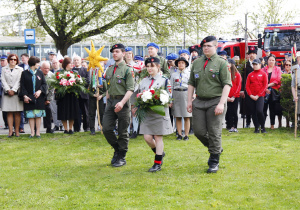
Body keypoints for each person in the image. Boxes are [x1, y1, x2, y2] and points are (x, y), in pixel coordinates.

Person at [187, 36, 232, 173]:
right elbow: (191, 83)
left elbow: (227, 85)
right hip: (199, 101)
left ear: (216, 47)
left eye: (209, 46)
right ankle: (216, 149)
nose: (205, 48)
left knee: (214, 131)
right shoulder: (197, 63)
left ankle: (213, 161)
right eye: (204, 46)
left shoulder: (221, 63)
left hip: (215, 101)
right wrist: (189, 101)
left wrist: (221, 104)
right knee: (199, 131)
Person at [137, 57, 172, 172]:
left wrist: (165, 100)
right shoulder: (143, 80)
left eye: (152, 66)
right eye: (147, 66)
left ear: (158, 66)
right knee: (147, 137)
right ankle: (160, 153)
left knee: (157, 137)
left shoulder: (164, 79)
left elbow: (169, 94)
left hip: (160, 111)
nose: (149, 68)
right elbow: (139, 94)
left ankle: (157, 163)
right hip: (147, 112)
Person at [102, 44, 134, 167]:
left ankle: (122, 156)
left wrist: (122, 102)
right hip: (111, 103)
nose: (114, 54)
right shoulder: (109, 69)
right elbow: (108, 87)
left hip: (123, 102)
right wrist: (107, 101)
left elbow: (130, 89)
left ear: (123, 53)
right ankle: (117, 149)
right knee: (106, 128)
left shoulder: (127, 69)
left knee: (123, 131)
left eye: (117, 51)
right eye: (113, 52)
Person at [19, 56, 47, 138]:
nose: (39, 64)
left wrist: (40, 91)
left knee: (38, 115)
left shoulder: (40, 73)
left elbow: (44, 84)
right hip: (29, 97)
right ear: (33, 64)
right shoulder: (24, 73)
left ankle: (38, 132)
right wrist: (25, 96)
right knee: (31, 115)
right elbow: (22, 86)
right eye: (37, 63)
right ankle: (32, 132)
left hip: (39, 97)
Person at [1, 54, 23, 137]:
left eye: (14, 59)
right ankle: (10, 131)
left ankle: (17, 131)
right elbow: (2, 80)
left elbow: (19, 80)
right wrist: (7, 89)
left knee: (17, 112)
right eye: (11, 59)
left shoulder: (20, 69)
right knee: (9, 112)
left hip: (16, 93)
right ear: (8, 60)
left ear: (17, 61)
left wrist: (13, 90)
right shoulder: (4, 69)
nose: (13, 61)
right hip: (7, 93)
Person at [56, 57, 80, 134]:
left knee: (72, 112)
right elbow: (56, 84)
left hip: (72, 95)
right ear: (66, 64)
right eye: (70, 63)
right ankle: (65, 129)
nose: (72, 64)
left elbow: (78, 83)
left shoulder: (75, 72)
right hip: (63, 96)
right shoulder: (59, 73)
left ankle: (70, 129)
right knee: (63, 112)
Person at [170, 57, 191, 140]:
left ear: (185, 64)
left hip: (186, 93)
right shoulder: (174, 75)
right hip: (176, 94)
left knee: (186, 116)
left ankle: (186, 135)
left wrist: (192, 96)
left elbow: (192, 86)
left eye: (182, 63)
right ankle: (179, 134)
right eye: (179, 63)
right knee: (177, 115)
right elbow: (170, 87)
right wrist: (170, 99)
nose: (181, 64)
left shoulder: (189, 74)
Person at [245, 59, 268, 133]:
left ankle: (263, 127)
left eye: (256, 64)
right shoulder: (250, 74)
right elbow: (247, 86)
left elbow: (265, 86)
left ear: (260, 65)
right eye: (254, 64)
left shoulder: (264, 74)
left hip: (260, 96)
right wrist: (250, 95)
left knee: (259, 111)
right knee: (253, 112)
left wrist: (258, 95)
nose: (255, 66)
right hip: (251, 96)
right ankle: (256, 127)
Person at [262, 54, 282, 129]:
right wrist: (265, 88)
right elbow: (261, 81)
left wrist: (269, 85)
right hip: (264, 91)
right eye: (270, 60)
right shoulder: (263, 69)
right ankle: (262, 124)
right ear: (267, 61)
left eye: (273, 60)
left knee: (272, 109)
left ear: (275, 61)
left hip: (273, 92)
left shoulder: (278, 69)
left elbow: (278, 80)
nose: (271, 61)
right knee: (264, 108)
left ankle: (272, 125)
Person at [240, 47, 257, 128]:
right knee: (248, 106)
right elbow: (242, 79)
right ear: (248, 55)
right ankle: (248, 122)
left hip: (257, 88)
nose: (252, 55)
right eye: (251, 54)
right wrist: (242, 90)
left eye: (253, 54)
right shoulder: (245, 65)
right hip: (247, 88)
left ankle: (257, 122)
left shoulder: (260, 64)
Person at [72, 56, 90, 132]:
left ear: (81, 61)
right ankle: (76, 128)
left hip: (83, 94)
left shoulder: (86, 70)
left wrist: (79, 84)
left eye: (77, 60)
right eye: (75, 60)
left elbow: (88, 81)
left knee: (85, 112)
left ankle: (86, 127)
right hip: (74, 94)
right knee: (76, 112)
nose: (76, 61)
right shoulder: (71, 71)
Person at [89, 65, 107, 135]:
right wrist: (93, 95)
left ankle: (102, 127)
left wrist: (101, 96)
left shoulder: (103, 82)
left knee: (101, 114)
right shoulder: (92, 81)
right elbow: (89, 91)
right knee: (91, 114)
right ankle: (92, 129)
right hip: (92, 100)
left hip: (100, 100)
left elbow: (106, 91)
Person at [225, 59, 241, 132]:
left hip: (235, 97)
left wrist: (234, 96)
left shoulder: (237, 74)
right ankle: (230, 126)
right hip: (227, 96)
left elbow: (238, 86)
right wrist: (226, 96)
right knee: (229, 111)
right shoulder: (226, 73)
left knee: (234, 112)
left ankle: (235, 126)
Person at [50, 58, 64, 131]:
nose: (55, 64)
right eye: (53, 63)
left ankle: (62, 125)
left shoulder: (62, 72)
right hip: (52, 94)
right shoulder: (50, 72)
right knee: (54, 110)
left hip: (59, 93)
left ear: (58, 63)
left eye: (56, 63)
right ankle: (56, 125)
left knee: (60, 109)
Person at [40, 61, 54, 133]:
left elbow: (52, 88)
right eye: (45, 68)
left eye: (48, 68)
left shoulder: (51, 75)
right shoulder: (38, 74)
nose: (46, 70)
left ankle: (48, 128)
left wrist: (48, 99)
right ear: (41, 68)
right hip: (39, 95)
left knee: (48, 112)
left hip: (47, 95)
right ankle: (36, 130)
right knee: (38, 113)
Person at [0, 55, 9, 129]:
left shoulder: (8, 69)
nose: (2, 62)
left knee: (5, 109)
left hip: (5, 91)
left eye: (3, 60)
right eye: (1, 60)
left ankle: (7, 124)